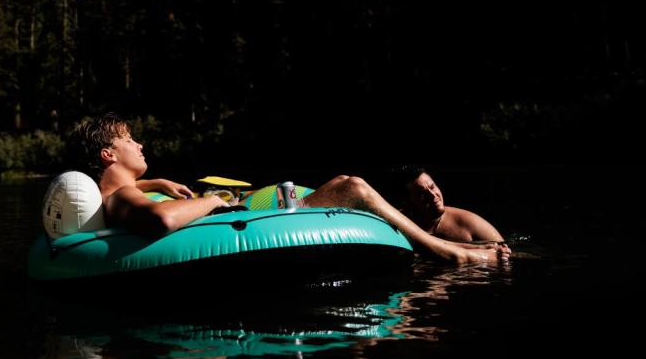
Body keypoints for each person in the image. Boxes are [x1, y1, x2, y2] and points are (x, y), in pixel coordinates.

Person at [67, 113, 509, 265]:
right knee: (352, 186)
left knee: (331, 186)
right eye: (128, 139)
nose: (139, 143)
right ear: (108, 155)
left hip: (246, 216)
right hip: (240, 224)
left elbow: (133, 194)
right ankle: (443, 251)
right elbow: (160, 218)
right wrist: (215, 199)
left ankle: (434, 244)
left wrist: (155, 181)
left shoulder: (125, 189)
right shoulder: (124, 198)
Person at [404, 169, 505, 243]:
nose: (433, 195)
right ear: (408, 202)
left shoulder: (469, 222)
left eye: (432, 187)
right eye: (422, 194)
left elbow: (505, 252)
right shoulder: (399, 226)